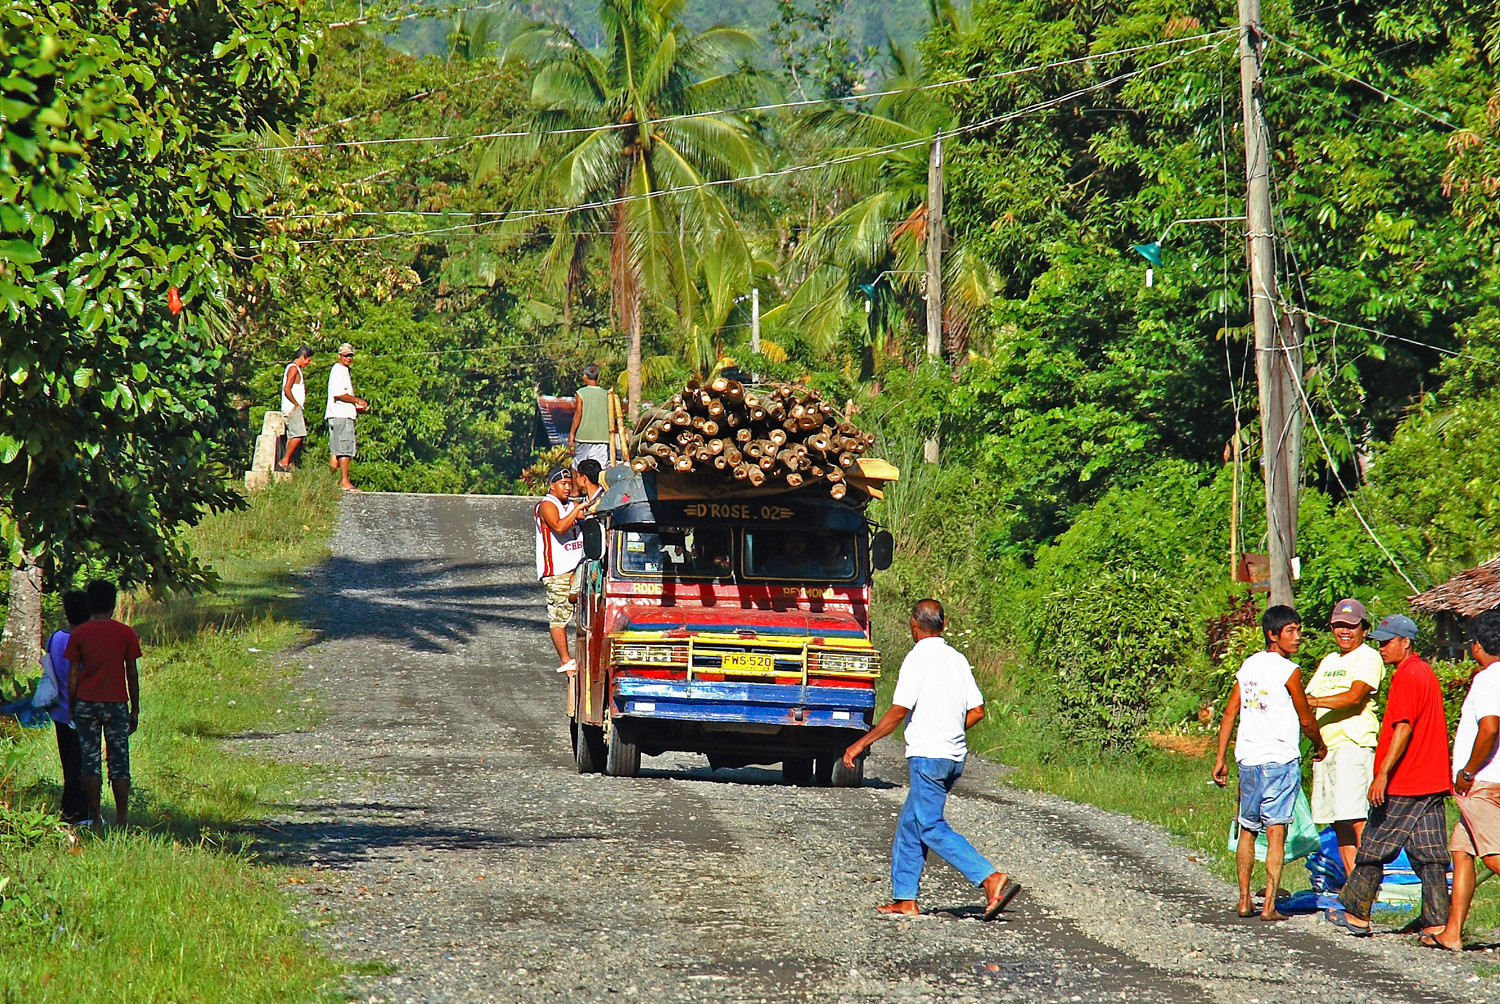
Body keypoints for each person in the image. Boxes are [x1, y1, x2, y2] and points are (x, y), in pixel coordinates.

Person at [842, 599, 1019, 920]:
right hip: (953, 757)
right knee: (911, 825)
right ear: (944, 624)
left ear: (913, 625)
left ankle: (988, 877)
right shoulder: (958, 659)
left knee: (929, 826)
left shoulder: (917, 659)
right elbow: (977, 711)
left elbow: (897, 712)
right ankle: (905, 899)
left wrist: (859, 744)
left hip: (929, 757)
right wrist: (950, 728)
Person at [1327, 614, 1451, 938]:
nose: (1381, 648)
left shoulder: (1407, 676)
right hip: (1432, 779)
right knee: (1431, 855)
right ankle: (1437, 922)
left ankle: (1356, 914)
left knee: (1372, 848)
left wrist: (1382, 774)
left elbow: (1404, 727)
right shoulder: (1426, 673)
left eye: (1387, 642)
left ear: (1405, 642)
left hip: (1405, 780)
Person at [1213, 604, 1326, 921]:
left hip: (1248, 761)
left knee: (1247, 831)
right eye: (1291, 631)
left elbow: (1230, 712)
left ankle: (1245, 899)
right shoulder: (1289, 671)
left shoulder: (1248, 667)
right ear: (1272, 634)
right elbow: (1306, 717)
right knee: (1276, 832)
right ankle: (1269, 906)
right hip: (1279, 761)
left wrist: (1221, 758)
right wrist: (1319, 745)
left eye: (1298, 630)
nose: (1298, 637)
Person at [1426, 610, 1500, 951]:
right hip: (1490, 780)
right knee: (1462, 849)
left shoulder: (1487, 679)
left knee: (1493, 856)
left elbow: (1489, 727)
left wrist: (1468, 770)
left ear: (1477, 647)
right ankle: (1452, 932)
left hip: (1481, 782)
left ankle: (1453, 931)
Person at [1306, 598, 1385, 879]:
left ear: (1363, 628)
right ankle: (1353, 885)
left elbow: (1355, 696)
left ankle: (1368, 884)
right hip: (1327, 749)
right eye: (1339, 625)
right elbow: (1305, 699)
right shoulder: (1329, 661)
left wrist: (1313, 702)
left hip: (1353, 745)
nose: (1344, 631)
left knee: (1357, 819)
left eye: (1351, 626)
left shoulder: (1368, 657)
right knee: (1338, 821)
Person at [63, 580, 142, 830]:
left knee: (90, 760)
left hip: (87, 703)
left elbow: (73, 675)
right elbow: (132, 672)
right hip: (116, 703)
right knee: (119, 762)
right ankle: (122, 818)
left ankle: (95, 817)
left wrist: (73, 704)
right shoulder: (125, 633)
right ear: (113, 603)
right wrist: (135, 707)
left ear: (90, 603)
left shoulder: (80, 634)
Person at [46, 590, 91, 824]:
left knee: (68, 764)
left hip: (59, 711)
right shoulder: (85, 640)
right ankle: (78, 812)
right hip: (81, 709)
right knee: (82, 765)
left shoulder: (54, 638)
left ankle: (68, 809)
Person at [535, 468, 586, 673]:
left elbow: (588, 515)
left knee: (582, 614)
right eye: (562, 484)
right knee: (559, 615)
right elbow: (558, 527)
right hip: (557, 571)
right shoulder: (547, 505)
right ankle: (565, 659)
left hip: (576, 568)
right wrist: (576, 509)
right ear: (552, 486)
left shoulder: (571, 505)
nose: (567, 487)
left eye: (568, 483)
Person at [325, 341, 369, 492]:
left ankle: (329, 482)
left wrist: (357, 408)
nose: (348, 358)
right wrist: (357, 400)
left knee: (336, 451)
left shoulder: (343, 371)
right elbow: (339, 394)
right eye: (345, 355)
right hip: (341, 416)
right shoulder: (338, 370)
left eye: (350, 355)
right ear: (339, 356)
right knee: (345, 449)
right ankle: (344, 481)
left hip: (340, 414)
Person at [568, 364, 610, 469]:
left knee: (579, 466)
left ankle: (578, 485)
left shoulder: (581, 393)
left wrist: (572, 433)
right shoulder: (606, 394)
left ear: (585, 376)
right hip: (602, 437)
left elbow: (578, 413)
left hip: (584, 436)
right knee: (599, 467)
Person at [278, 346, 313, 471]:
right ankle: (285, 460)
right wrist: (295, 404)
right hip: (292, 408)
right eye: (308, 360)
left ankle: (287, 461)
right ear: (303, 356)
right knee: (299, 434)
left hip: (293, 407)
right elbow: (287, 388)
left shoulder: (295, 369)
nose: (308, 363)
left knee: (293, 435)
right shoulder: (293, 369)